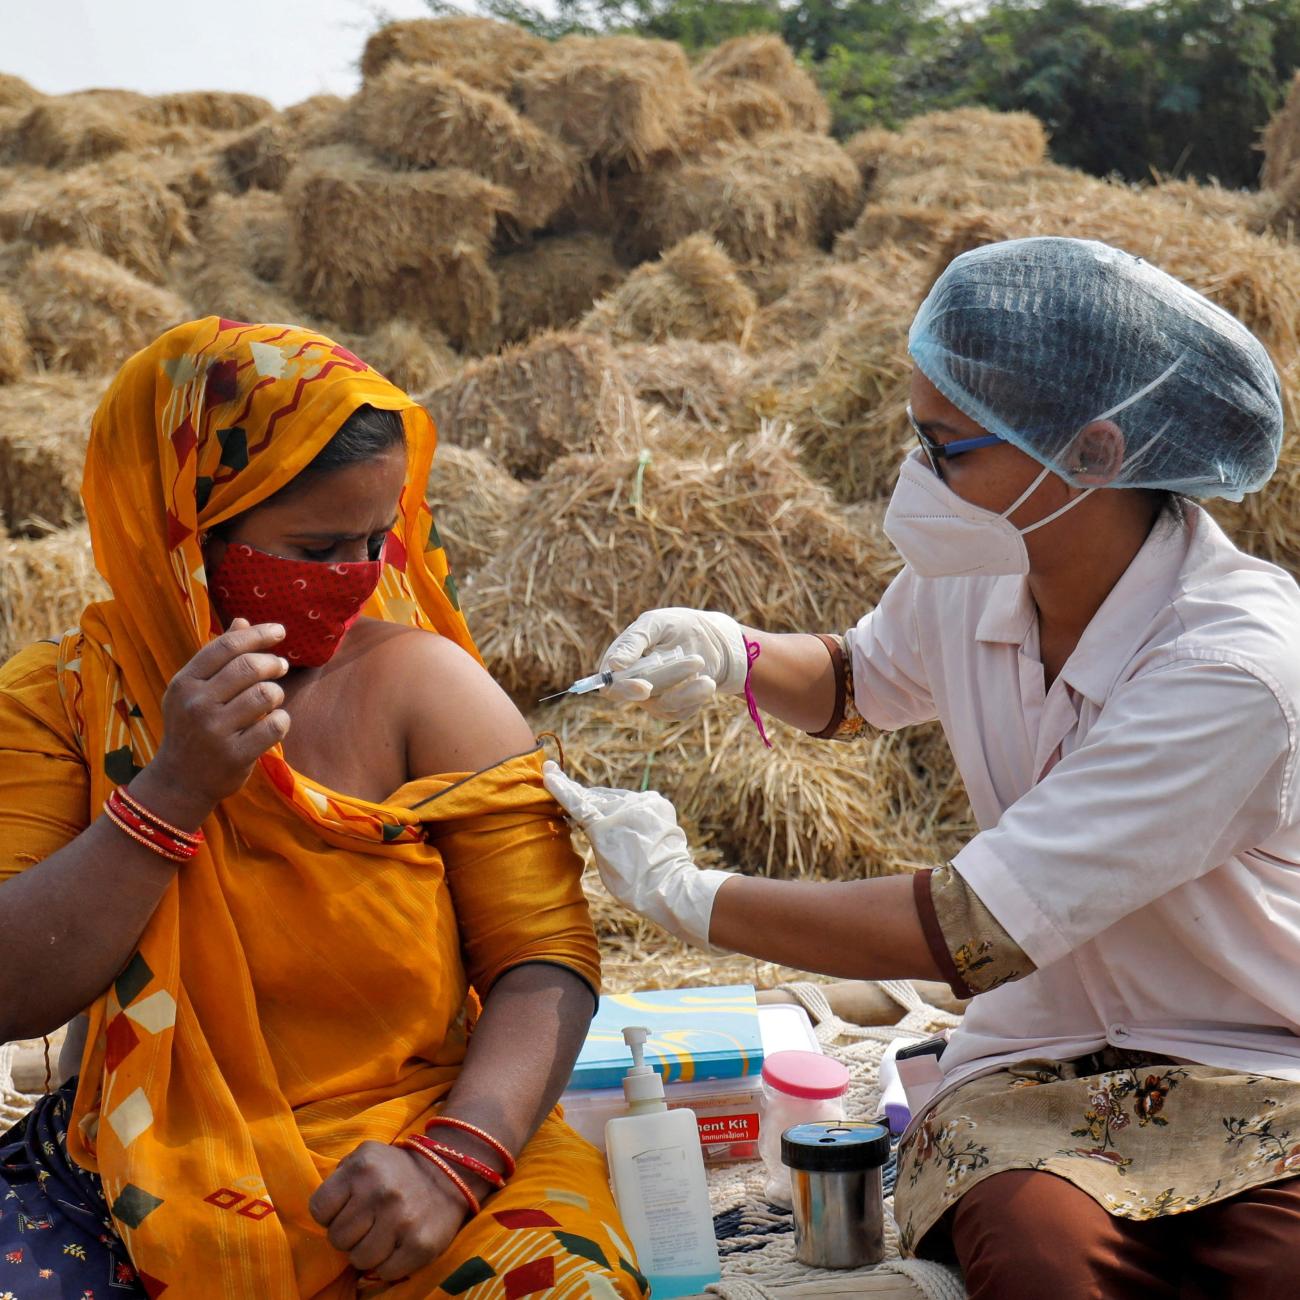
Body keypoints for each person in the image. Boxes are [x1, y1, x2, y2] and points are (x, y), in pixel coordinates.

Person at [542, 237, 1300, 1299]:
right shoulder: (989, 563)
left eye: (947, 448)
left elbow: (965, 931)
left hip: (1256, 1061)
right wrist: (734, 652)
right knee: (1039, 1262)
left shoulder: (1231, 669)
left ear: (1091, 450)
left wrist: (691, 897)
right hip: (1033, 1070)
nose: (917, 477)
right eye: (916, 437)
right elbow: (861, 682)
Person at [0, 319, 647, 1299]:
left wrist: (454, 1161)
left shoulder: (425, 690)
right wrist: (171, 791)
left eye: (373, 539)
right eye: (313, 546)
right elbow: (11, 989)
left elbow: (544, 958)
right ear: (180, 530)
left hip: (417, 1145)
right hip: (139, 1172)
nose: (355, 576)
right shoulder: (65, 705)